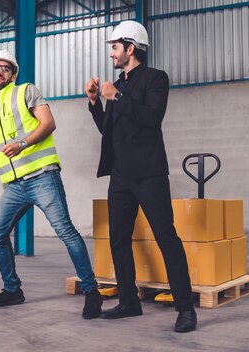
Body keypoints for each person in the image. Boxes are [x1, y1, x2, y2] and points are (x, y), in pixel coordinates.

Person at [0, 49, 102, 319]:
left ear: (13, 74)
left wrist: (23, 143)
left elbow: (49, 123)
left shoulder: (26, 91)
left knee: (66, 231)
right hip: (14, 186)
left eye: (5, 68)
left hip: (42, 175)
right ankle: (12, 289)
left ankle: (91, 292)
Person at [84, 21, 197, 332]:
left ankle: (185, 309)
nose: (112, 54)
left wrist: (116, 97)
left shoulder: (155, 79)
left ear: (130, 48)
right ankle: (129, 301)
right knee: (119, 239)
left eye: (115, 47)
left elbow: (152, 117)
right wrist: (96, 102)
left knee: (166, 238)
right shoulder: (117, 85)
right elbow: (108, 130)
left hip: (149, 173)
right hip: (120, 176)